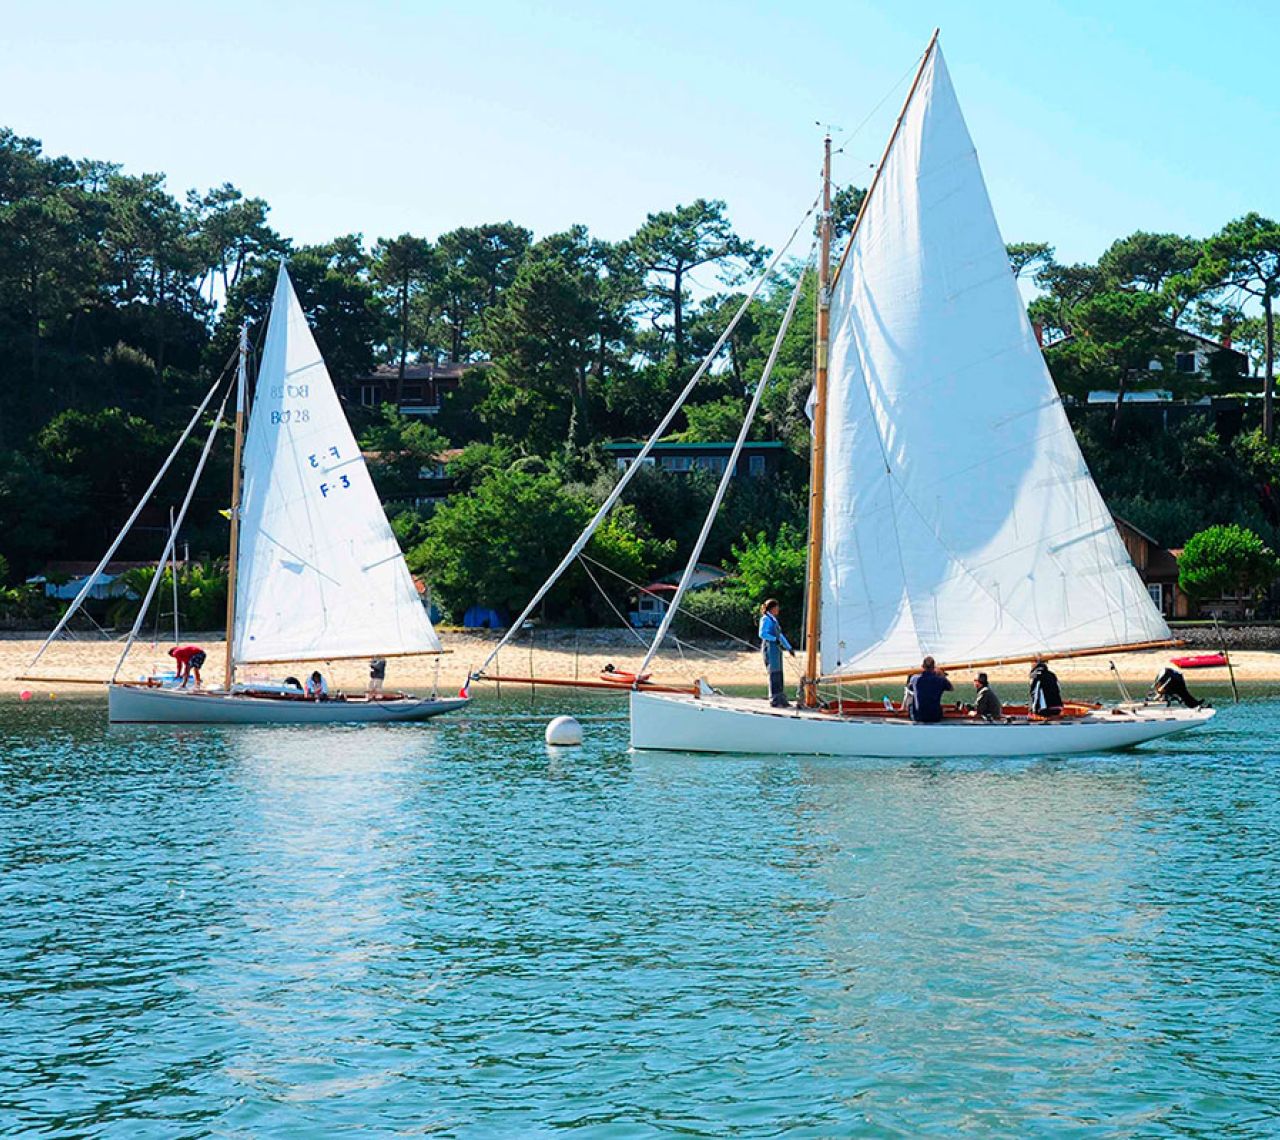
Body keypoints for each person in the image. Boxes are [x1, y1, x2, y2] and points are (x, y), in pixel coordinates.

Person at [758, 599, 795, 708]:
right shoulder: (765, 619)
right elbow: (762, 634)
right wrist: (774, 639)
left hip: (776, 649)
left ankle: (781, 698)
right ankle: (774, 699)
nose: (778, 609)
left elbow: (780, 636)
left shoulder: (774, 620)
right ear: (772, 608)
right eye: (777, 607)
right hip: (769, 647)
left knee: (779, 672)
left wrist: (789, 647)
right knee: (773, 672)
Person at [906, 656, 953, 723]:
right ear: (934, 667)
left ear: (922, 666)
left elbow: (909, 687)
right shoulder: (941, 680)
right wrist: (942, 675)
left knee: (911, 700)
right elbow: (951, 688)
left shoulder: (914, 679)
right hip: (935, 717)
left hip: (918, 716)